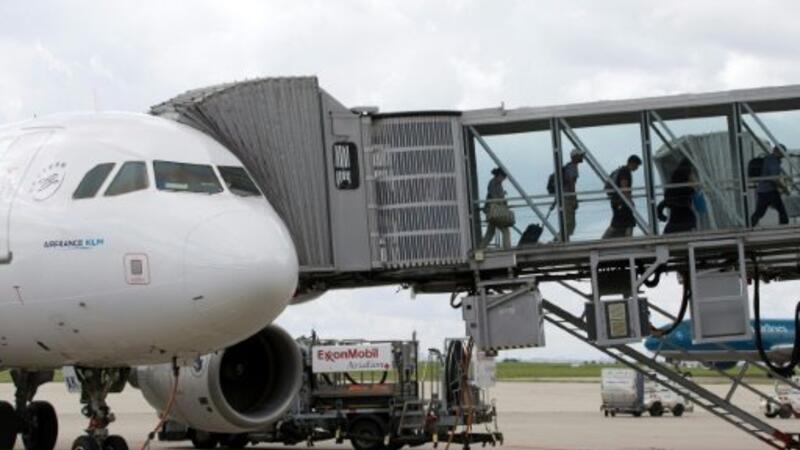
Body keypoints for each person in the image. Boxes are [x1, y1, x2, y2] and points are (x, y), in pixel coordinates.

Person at [602, 154, 642, 239]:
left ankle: (626, 239)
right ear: (632, 163)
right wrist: (630, 201)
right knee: (623, 223)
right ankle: (603, 241)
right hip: (622, 202)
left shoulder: (620, 170)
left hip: (616, 202)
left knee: (623, 223)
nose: (637, 168)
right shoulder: (625, 172)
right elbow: (624, 187)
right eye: (637, 165)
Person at [751, 144, 790, 227]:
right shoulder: (773, 161)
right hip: (769, 190)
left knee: (759, 212)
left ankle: (749, 226)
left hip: (762, 190)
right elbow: (774, 178)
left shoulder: (768, 159)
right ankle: (784, 229)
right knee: (782, 212)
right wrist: (784, 188)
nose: (783, 155)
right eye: (782, 152)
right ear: (778, 151)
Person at [657, 159, 696, 234]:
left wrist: (662, 216)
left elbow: (664, 203)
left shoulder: (672, 186)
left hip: (675, 220)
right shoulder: (688, 188)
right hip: (687, 220)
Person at [480, 167, 512, 249]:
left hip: (493, 211)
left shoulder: (495, 183)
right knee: (505, 230)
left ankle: (480, 249)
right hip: (495, 211)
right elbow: (494, 197)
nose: (503, 179)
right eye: (503, 177)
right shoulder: (493, 183)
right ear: (499, 175)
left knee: (490, 233)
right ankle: (507, 249)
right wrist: (503, 201)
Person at [562, 148, 584, 239]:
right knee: (569, 222)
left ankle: (563, 239)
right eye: (580, 155)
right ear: (575, 157)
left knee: (569, 222)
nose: (582, 157)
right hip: (568, 197)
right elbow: (571, 183)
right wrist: (574, 199)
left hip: (566, 196)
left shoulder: (569, 167)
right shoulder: (572, 167)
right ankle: (559, 240)